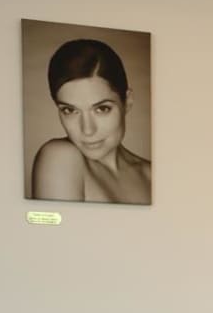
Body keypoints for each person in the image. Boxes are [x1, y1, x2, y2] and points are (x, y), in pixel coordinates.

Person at [30, 37, 151, 204]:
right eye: (70, 110)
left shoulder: (152, 174)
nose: (87, 130)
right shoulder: (59, 157)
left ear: (127, 102)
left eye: (102, 109)